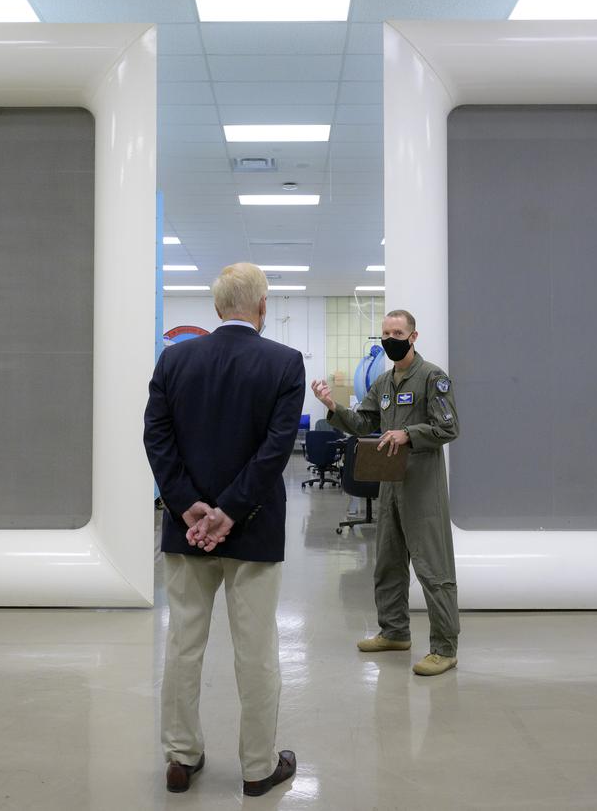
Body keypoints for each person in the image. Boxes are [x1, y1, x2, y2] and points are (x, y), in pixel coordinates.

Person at [143, 262, 304, 796]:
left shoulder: (175, 360)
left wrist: (189, 506)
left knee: (183, 644)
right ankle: (259, 769)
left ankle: (180, 757)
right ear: (262, 309)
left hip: (185, 534)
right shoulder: (284, 363)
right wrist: (231, 511)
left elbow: (157, 439)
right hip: (254, 531)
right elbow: (275, 451)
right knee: (255, 651)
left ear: (216, 310)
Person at [310, 310, 461, 676]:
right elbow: (365, 422)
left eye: (398, 332)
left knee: (432, 568)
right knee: (388, 565)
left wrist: (409, 434)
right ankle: (394, 632)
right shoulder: (383, 381)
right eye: (386, 333)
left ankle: (444, 648)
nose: (390, 338)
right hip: (390, 486)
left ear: (413, 337)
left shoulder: (431, 378)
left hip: (422, 487)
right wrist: (333, 407)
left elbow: (449, 427)